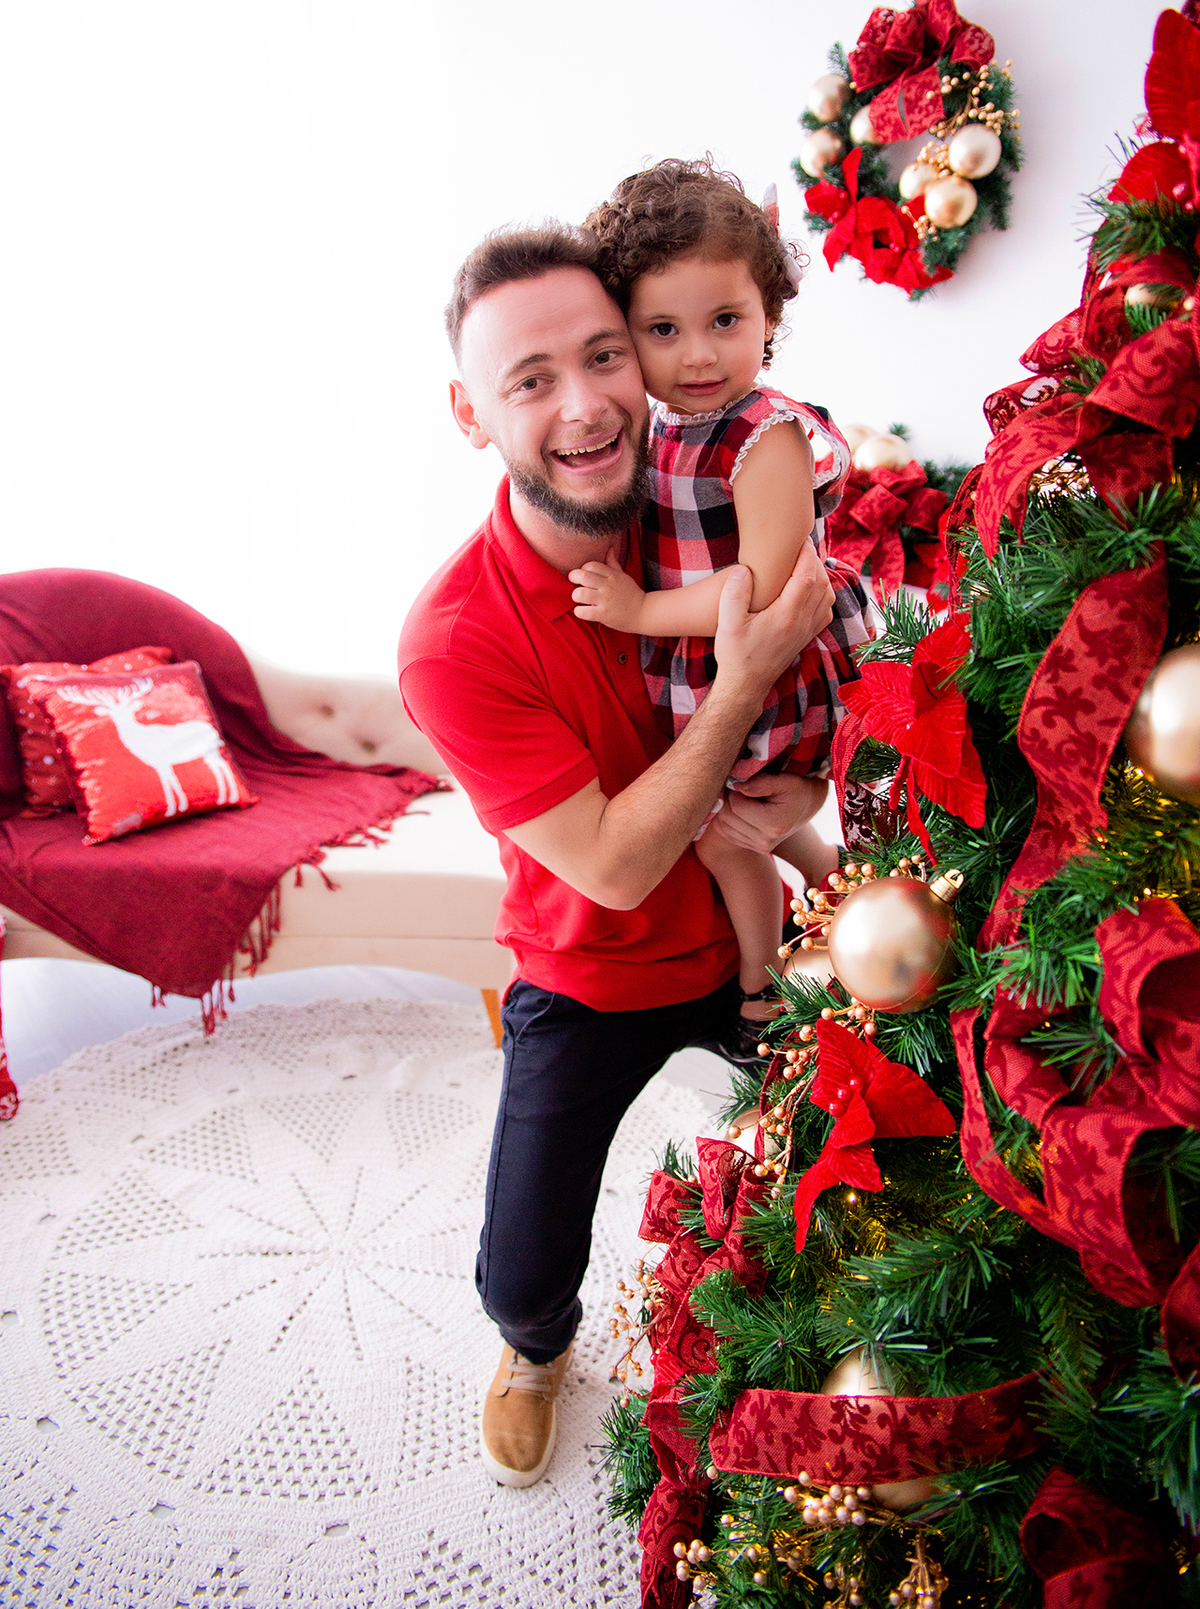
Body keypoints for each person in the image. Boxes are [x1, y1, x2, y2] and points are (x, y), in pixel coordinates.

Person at [397, 224, 835, 1490]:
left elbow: (828, 649)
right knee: (520, 1262)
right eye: (531, 379)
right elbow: (613, 868)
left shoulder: (705, 499)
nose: (586, 406)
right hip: (591, 971)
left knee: (848, 1168)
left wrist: (805, 769)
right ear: (472, 414)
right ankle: (534, 1351)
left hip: (759, 942)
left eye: (605, 355)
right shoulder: (452, 636)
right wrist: (740, 683)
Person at [572, 161, 870, 1047]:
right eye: (663, 329)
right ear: (626, 333)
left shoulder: (764, 435)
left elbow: (764, 588)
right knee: (744, 823)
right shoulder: (662, 423)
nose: (698, 354)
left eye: (726, 321)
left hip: (764, 664)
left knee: (724, 839)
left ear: (768, 318)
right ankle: (838, 896)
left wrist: (637, 614)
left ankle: (763, 985)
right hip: (704, 667)